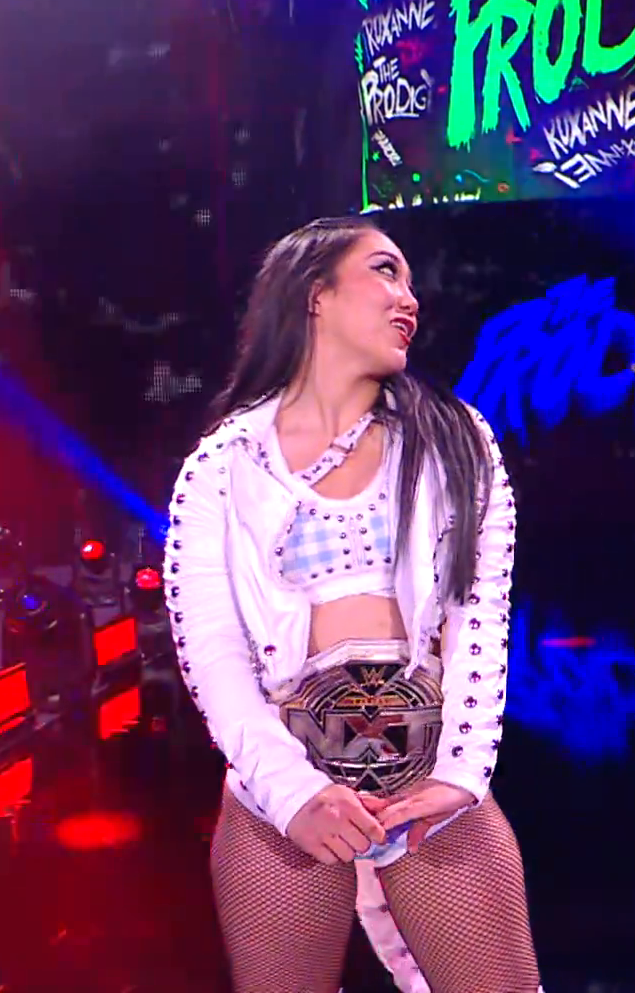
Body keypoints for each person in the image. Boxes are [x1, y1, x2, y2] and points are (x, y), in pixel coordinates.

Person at [165, 217, 541, 993]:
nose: (409, 298)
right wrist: (294, 794)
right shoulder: (224, 464)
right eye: (384, 272)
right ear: (315, 294)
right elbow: (212, 658)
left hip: (429, 797)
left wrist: (462, 774)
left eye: (410, 280)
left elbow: (480, 620)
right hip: (283, 805)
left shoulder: (457, 440)